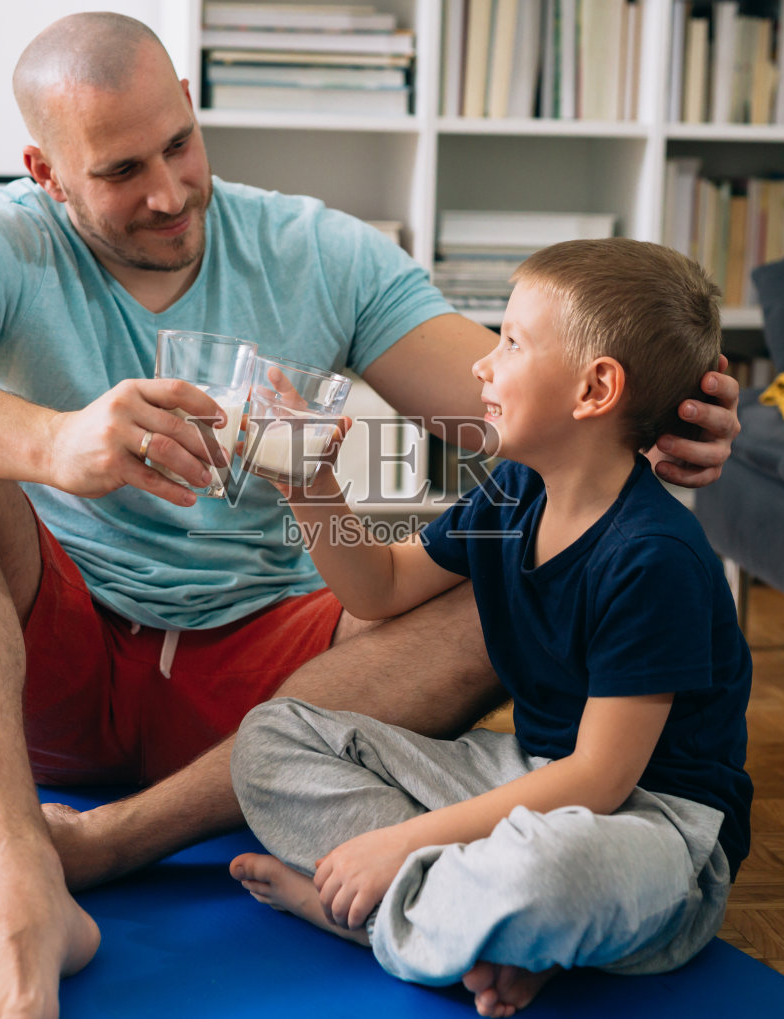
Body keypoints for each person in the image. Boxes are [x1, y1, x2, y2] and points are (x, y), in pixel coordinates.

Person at [0, 11, 743, 1019]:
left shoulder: (316, 249)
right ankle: (25, 885)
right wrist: (52, 442)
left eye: (178, 145)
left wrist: (664, 406)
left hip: (270, 678)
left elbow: (519, 407)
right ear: (45, 169)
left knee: (522, 561)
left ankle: (112, 842)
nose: (166, 192)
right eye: (119, 171)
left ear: (194, 113)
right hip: (56, 661)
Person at [229, 238, 753, 1018]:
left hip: (654, 823)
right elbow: (382, 588)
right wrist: (314, 484)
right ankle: (481, 930)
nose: (482, 364)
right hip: (526, 772)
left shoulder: (655, 557)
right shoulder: (514, 493)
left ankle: (373, 912)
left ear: (595, 387)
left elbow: (600, 781)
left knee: (550, 874)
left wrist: (401, 840)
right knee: (267, 744)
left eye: (509, 341)